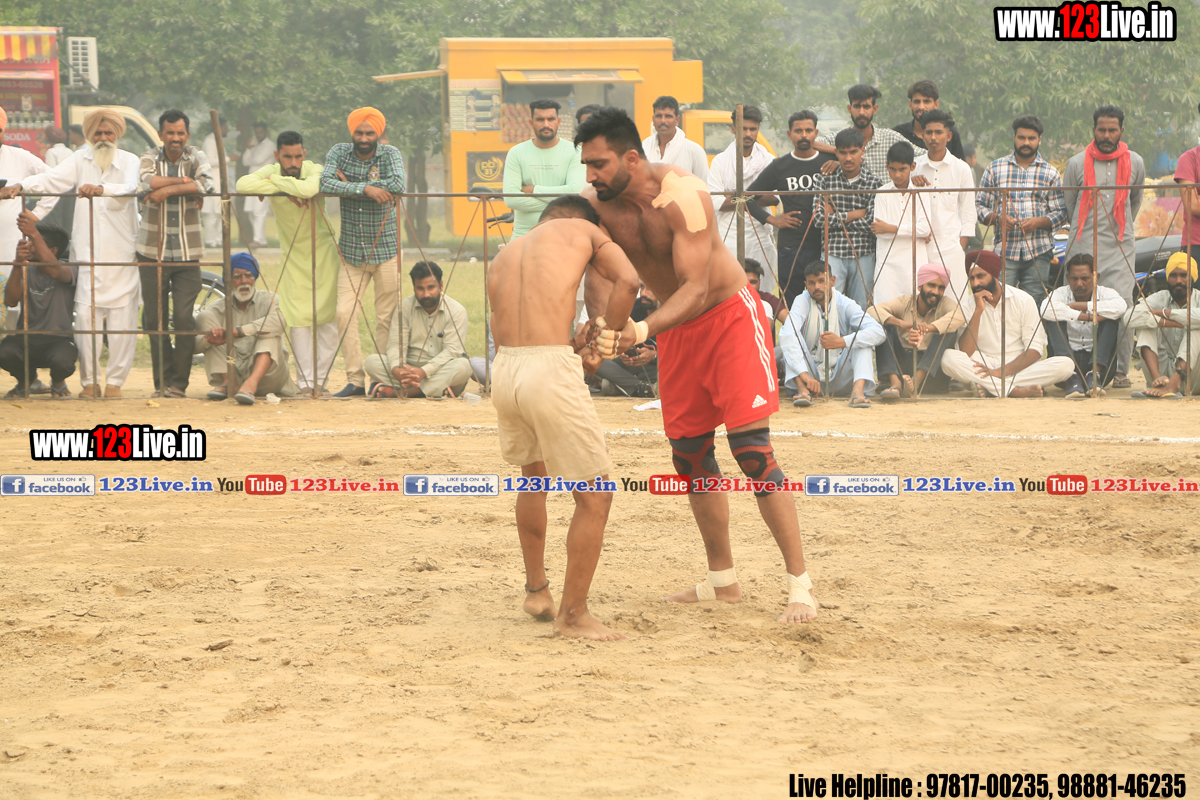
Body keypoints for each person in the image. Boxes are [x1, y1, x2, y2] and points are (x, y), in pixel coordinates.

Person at [575, 107, 818, 624]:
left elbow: (698, 286)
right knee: (689, 457)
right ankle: (722, 581)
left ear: (631, 159)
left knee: (753, 453)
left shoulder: (684, 194)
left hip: (727, 317)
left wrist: (641, 330)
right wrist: (601, 328)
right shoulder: (598, 206)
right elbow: (599, 273)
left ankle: (800, 584)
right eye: (587, 166)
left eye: (598, 164)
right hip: (677, 329)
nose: (590, 176)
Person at [487, 194, 641, 640]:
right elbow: (628, 281)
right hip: (547, 371)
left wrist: (571, 346)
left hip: (506, 372)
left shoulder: (505, 254)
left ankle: (537, 590)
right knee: (596, 495)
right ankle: (573, 616)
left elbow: (506, 330)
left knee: (531, 479)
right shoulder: (584, 229)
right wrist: (605, 340)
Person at [10, 109, 142, 398]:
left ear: (117, 135)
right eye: (98, 133)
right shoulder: (80, 160)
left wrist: (101, 189)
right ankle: (90, 382)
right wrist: (22, 186)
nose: (103, 138)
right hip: (87, 256)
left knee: (123, 321)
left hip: (121, 255)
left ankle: (115, 383)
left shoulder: (130, 160)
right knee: (84, 318)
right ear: (90, 136)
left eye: (108, 133)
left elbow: (131, 188)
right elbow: (52, 180)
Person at [237, 130, 340, 396]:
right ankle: (305, 383)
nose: (293, 163)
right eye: (287, 157)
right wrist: (282, 184)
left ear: (303, 154)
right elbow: (243, 185)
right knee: (298, 319)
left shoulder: (315, 169)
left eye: (297, 156)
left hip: (324, 253)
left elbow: (310, 189)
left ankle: (321, 381)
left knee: (327, 319)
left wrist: (275, 183)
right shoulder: (271, 169)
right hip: (293, 257)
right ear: (277, 155)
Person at [320, 107, 405, 397]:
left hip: (386, 250)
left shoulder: (390, 154)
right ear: (352, 132)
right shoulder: (339, 152)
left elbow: (398, 183)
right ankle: (355, 380)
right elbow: (325, 182)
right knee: (344, 313)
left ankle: (379, 378)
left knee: (385, 318)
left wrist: (348, 185)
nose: (364, 138)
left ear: (378, 133)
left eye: (370, 133)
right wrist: (365, 189)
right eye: (359, 132)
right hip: (352, 253)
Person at [1062, 105, 1145, 388]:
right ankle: (1078, 368)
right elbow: (1071, 205)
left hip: (1120, 246)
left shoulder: (1136, 162)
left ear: (1121, 131)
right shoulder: (1076, 163)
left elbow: (1134, 202)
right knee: (1077, 302)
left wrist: (1120, 227)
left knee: (1123, 305)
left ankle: (1120, 371)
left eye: (1112, 130)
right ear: (1093, 130)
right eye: (1101, 130)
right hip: (1082, 245)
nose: (1106, 135)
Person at [137, 109, 216, 398]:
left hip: (187, 251)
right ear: (161, 135)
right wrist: (184, 184)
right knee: (154, 320)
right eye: (170, 133)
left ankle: (179, 384)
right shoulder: (149, 155)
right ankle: (162, 383)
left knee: (184, 318)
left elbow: (207, 184)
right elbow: (147, 181)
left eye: (180, 133)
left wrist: (166, 191)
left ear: (187, 135)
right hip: (151, 251)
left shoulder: (196, 155)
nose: (175, 138)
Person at [942, 250, 1074, 397]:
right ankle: (1014, 390)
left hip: (1018, 365)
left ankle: (991, 387)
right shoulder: (968, 305)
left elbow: (1035, 350)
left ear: (994, 274)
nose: (975, 283)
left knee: (1066, 365)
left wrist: (998, 372)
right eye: (971, 278)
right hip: (984, 363)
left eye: (980, 276)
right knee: (948, 358)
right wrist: (978, 311)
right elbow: (965, 352)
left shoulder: (1023, 300)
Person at [976, 115, 1067, 311]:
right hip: (1005, 250)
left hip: (1039, 250)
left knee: (1033, 303)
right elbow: (979, 206)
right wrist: (998, 219)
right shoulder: (995, 168)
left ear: (1039, 140)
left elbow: (1061, 212)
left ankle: (1030, 333)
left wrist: (1038, 222)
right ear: (1014, 138)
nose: (1026, 142)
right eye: (1021, 137)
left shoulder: (1050, 173)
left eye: (1031, 138)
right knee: (1000, 301)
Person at [746, 110, 834, 307]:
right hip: (791, 246)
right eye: (798, 131)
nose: (804, 135)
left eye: (808, 130)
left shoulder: (828, 163)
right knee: (792, 304)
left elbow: (855, 162)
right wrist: (774, 220)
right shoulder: (780, 166)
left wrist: (836, 157)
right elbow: (746, 197)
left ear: (816, 133)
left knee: (825, 303)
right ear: (789, 134)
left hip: (824, 244)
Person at [195, 252, 296, 404]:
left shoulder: (270, 300)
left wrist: (237, 332)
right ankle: (229, 382)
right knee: (205, 318)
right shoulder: (217, 308)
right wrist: (210, 339)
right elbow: (195, 347)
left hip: (268, 377)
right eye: (237, 277)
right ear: (228, 280)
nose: (244, 281)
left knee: (268, 332)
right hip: (233, 371)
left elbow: (280, 322)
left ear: (255, 277)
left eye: (248, 275)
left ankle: (251, 384)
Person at [780, 260, 884, 407]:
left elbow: (878, 331)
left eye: (821, 281)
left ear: (832, 281)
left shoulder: (845, 303)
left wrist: (841, 342)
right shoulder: (802, 301)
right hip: (808, 377)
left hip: (840, 376)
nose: (817, 287)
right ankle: (803, 391)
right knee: (790, 336)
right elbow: (787, 333)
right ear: (806, 284)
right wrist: (805, 376)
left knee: (861, 341)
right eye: (811, 283)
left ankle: (857, 392)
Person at [365, 261, 471, 400]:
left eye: (431, 287)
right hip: (408, 368)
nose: (426, 294)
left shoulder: (456, 311)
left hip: (440, 369)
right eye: (420, 289)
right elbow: (396, 343)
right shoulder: (405, 307)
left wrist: (424, 371)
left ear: (441, 286)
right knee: (372, 362)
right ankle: (432, 389)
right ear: (414, 288)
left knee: (463, 366)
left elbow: (452, 351)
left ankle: (407, 391)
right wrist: (397, 369)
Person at [0, 214, 76, 398]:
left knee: (63, 360)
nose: (30, 247)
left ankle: (57, 382)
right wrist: (18, 264)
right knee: (5, 352)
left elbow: (55, 271)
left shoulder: (70, 268)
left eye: (35, 243)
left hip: (57, 340)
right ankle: (27, 381)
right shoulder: (27, 269)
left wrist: (33, 232)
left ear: (53, 251)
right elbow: (11, 301)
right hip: (27, 337)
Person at [867, 262, 964, 398]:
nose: (936, 292)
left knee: (948, 329)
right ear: (920, 286)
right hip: (903, 367)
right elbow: (872, 311)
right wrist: (900, 323)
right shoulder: (905, 302)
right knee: (884, 324)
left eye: (941, 288)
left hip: (931, 374)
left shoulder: (944, 303)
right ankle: (895, 383)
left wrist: (928, 328)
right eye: (931, 285)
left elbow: (960, 316)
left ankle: (915, 383)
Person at [708, 105, 776, 292]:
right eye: (743, 128)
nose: (748, 134)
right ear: (733, 129)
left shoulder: (768, 160)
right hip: (728, 236)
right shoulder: (720, 162)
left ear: (758, 130)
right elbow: (716, 202)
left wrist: (735, 195)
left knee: (761, 292)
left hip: (759, 234)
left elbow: (774, 198)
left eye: (753, 129)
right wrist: (756, 196)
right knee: (728, 292)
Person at [1041, 253, 1127, 397]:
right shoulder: (1061, 293)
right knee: (1052, 316)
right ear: (1067, 278)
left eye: (1085, 278)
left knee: (1111, 318)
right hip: (1064, 368)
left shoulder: (1106, 293)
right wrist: (1088, 317)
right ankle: (1071, 377)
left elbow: (1121, 307)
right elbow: (1045, 309)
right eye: (1074, 279)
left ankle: (1094, 375)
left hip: (1101, 367)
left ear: (1096, 277)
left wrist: (1080, 306)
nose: (1079, 284)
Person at [913, 109, 976, 305]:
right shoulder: (914, 168)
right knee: (921, 305)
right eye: (929, 132)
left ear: (948, 136)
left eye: (938, 132)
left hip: (951, 249)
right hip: (920, 249)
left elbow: (968, 213)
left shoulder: (961, 169)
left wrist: (959, 247)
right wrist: (911, 183)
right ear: (922, 135)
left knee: (955, 305)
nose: (933, 137)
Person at [813, 128, 881, 309]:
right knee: (830, 306)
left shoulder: (874, 183)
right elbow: (818, 220)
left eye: (853, 152)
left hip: (863, 253)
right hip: (833, 252)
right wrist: (854, 214)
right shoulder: (824, 180)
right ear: (836, 152)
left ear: (862, 151)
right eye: (843, 152)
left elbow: (870, 224)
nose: (848, 158)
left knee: (862, 308)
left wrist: (834, 216)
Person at [501, 99, 586, 239]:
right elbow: (511, 200)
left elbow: (575, 192)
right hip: (524, 235)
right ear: (531, 123)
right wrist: (562, 203)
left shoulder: (575, 151)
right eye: (540, 119)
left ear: (558, 122)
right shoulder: (516, 153)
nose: (546, 124)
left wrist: (534, 190)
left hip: (563, 234)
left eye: (551, 119)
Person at [1128, 252, 1200, 397]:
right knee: (1144, 324)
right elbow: (1129, 317)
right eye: (1173, 275)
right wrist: (1166, 323)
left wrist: (1166, 313)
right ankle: (1158, 382)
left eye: (1184, 275)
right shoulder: (1159, 298)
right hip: (1161, 372)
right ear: (1167, 278)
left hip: (1193, 380)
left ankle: (1175, 383)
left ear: (1192, 277)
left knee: (1196, 327)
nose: (1178, 280)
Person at [815, 84, 925, 179]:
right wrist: (841, 153)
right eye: (857, 106)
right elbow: (811, 143)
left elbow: (924, 155)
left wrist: (915, 177)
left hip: (885, 196)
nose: (861, 112)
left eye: (866, 107)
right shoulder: (840, 139)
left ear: (875, 109)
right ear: (849, 109)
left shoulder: (891, 138)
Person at [870, 140, 931, 305]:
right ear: (887, 166)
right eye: (893, 169)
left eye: (902, 169)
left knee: (915, 308)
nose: (897, 174)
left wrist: (892, 228)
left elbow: (925, 229)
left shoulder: (921, 191)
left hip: (914, 262)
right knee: (885, 309)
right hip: (888, 264)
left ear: (912, 166)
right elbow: (881, 233)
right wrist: (911, 231)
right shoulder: (882, 193)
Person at [0, 108, 47, 295]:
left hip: (11, 243)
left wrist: (38, 213)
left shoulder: (19, 157)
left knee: (12, 300)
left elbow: (54, 180)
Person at [595, 284, 659, 398]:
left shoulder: (672, 313)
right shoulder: (633, 307)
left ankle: (624, 384)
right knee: (593, 355)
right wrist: (621, 352)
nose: (643, 293)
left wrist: (654, 355)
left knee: (608, 386)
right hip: (633, 366)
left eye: (650, 288)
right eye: (642, 287)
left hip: (658, 368)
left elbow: (682, 353)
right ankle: (642, 387)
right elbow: (618, 338)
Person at [892, 80, 965, 160]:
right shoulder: (897, 134)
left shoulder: (948, 132)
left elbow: (959, 164)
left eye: (926, 102)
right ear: (910, 105)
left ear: (936, 104)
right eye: (917, 102)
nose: (921, 107)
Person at [641, 95, 708, 180]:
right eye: (659, 116)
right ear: (653, 120)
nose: (663, 121)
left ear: (677, 120)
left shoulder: (694, 151)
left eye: (668, 116)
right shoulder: (644, 147)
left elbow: (704, 185)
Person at [201, 115, 232, 248]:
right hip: (212, 181)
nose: (227, 130)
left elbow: (233, 135)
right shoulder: (210, 141)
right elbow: (210, 161)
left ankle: (219, 240)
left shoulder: (217, 140)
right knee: (211, 214)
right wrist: (229, 159)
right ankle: (210, 241)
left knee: (220, 212)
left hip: (220, 181)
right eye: (225, 127)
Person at [241, 121, 274, 247]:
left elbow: (257, 160)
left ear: (265, 132)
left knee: (259, 211)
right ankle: (262, 240)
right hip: (251, 182)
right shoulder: (254, 145)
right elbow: (245, 162)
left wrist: (251, 153)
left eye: (260, 132)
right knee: (250, 211)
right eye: (257, 133)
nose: (258, 135)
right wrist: (249, 149)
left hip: (263, 182)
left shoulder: (270, 145)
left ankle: (257, 240)